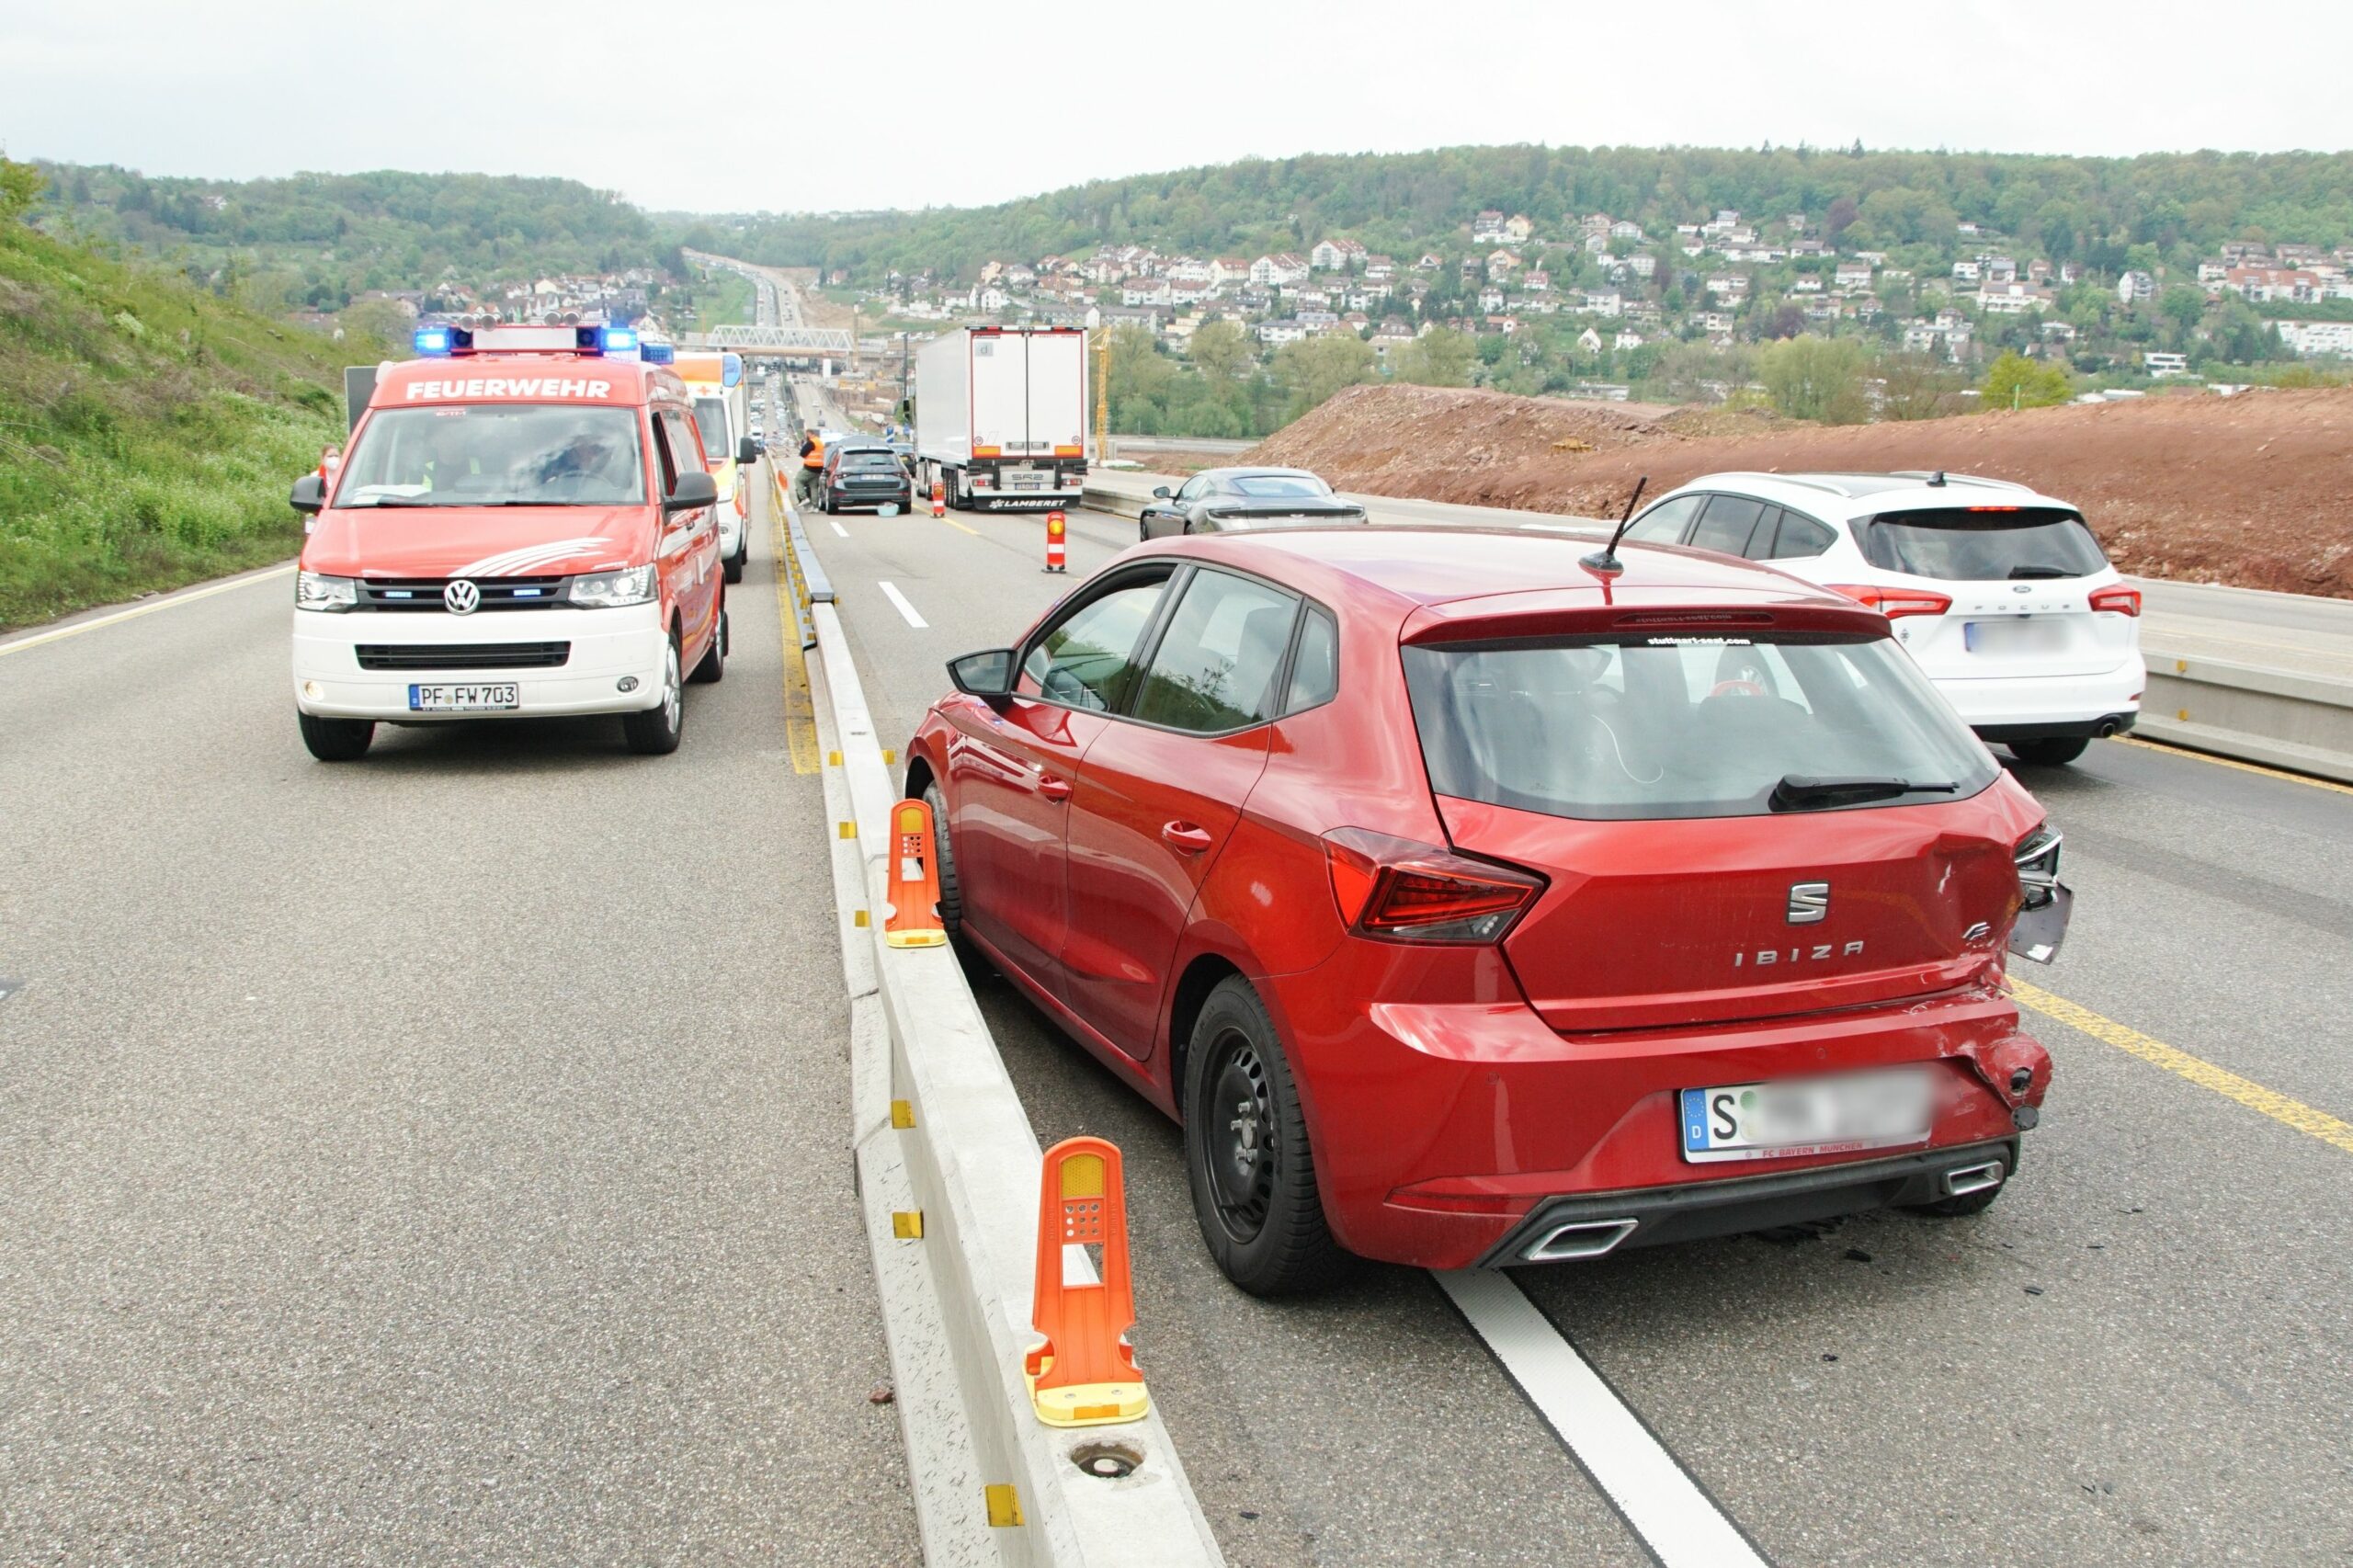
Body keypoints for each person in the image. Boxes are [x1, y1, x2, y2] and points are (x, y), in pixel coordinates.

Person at [796, 430, 824, 506]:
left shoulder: (811, 442)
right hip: (819, 468)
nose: (806, 437)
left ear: (811, 434)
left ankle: (804, 498)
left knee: (798, 480)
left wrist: (806, 456)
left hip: (810, 466)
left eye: (807, 435)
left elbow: (802, 453)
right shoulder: (819, 442)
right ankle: (815, 507)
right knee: (813, 486)